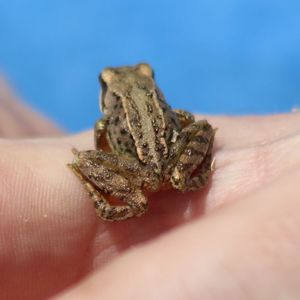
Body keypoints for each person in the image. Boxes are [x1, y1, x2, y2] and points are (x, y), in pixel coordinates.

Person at [1, 77, 300, 300]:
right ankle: (186, 177)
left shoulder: (107, 119)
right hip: (172, 164)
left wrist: (101, 181)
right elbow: (186, 120)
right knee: (204, 128)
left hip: (139, 172)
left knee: (85, 161)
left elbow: (101, 141)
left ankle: (117, 203)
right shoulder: (161, 102)